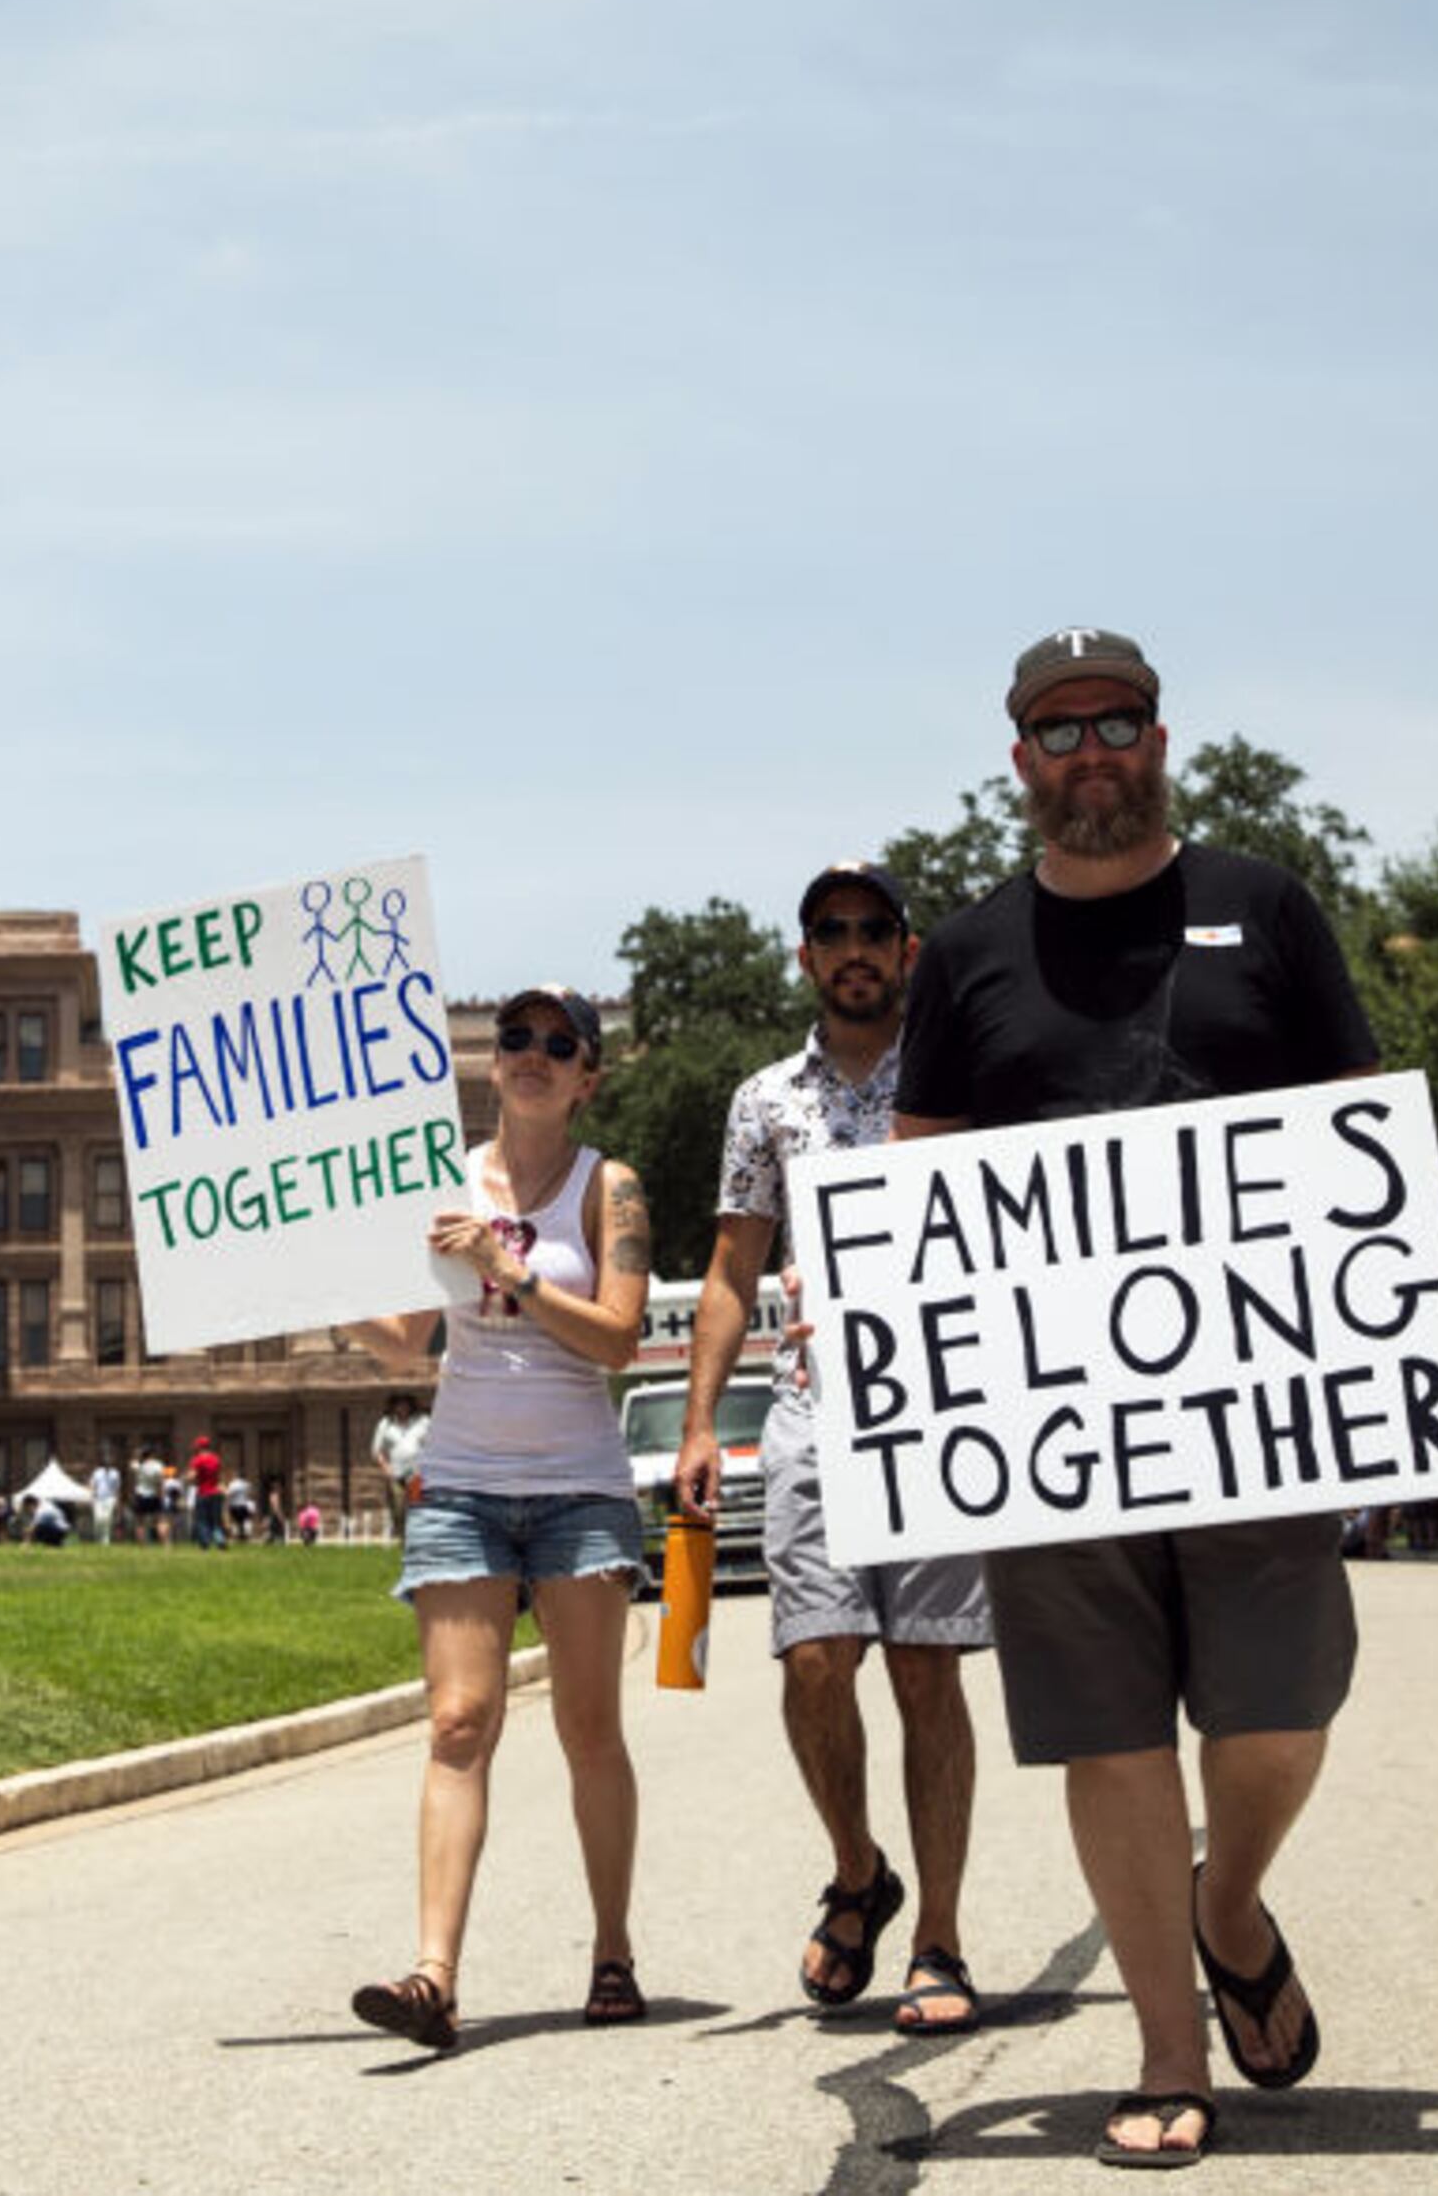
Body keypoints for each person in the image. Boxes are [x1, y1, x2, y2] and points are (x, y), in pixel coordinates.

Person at [890, 627, 1389, 2167]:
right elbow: (922, 1181)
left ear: (1161, 741)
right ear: (1020, 758)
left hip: (1255, 1410)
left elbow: (1353, 1132)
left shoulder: (1267, 909)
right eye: (1061, 729)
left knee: (1279, 1712)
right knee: (1108, 1732)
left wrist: (1406, 1254)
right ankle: (1172, 2047)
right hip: (1057, 1437)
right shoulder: (966, 958)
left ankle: (1226, 1900)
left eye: (1119, 722)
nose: (1091, 749)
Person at [677, 858, 993, 2036]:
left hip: (939, 1400)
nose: (853, 946)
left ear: (908, 951)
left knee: (926, 1670)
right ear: (804, 957)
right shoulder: (768, 1099)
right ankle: (859, 1867)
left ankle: (940, 1937)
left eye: (874, 928)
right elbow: (729, 1266)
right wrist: (705, 1418)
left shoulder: (968, 1073)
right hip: (812, 1402)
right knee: (815, 1658)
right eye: (830, 931)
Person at [344, 984, 653, 2051]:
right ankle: (434, 1973)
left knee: (587, 1728)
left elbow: (617, 1339)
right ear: (492, 1064)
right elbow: (405, 1339)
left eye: (556, 1043)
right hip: (465, 1479)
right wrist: (310, 1290)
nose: (531, 1053)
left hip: (579, 1488)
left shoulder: (609, 1189)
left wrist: (507, 1268)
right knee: (458, 1723)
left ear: (586, 1076)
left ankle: (611, 1946)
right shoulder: (443, 1180)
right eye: (515, 1037)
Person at [371, 1393, 430, 1537]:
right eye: (399, 1404)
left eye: (405, 1404)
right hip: (396, 1474)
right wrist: (386, 1469)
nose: (403, 1407)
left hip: (417, 1474)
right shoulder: (385, 1424)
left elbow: (434, 1444)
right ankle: (403, 1538)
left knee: (417, 1507)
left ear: (411, 1405)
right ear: (393, 1406)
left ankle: (418, 1539)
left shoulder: (423, 1422)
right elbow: (377, 1450)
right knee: (399, 1509)